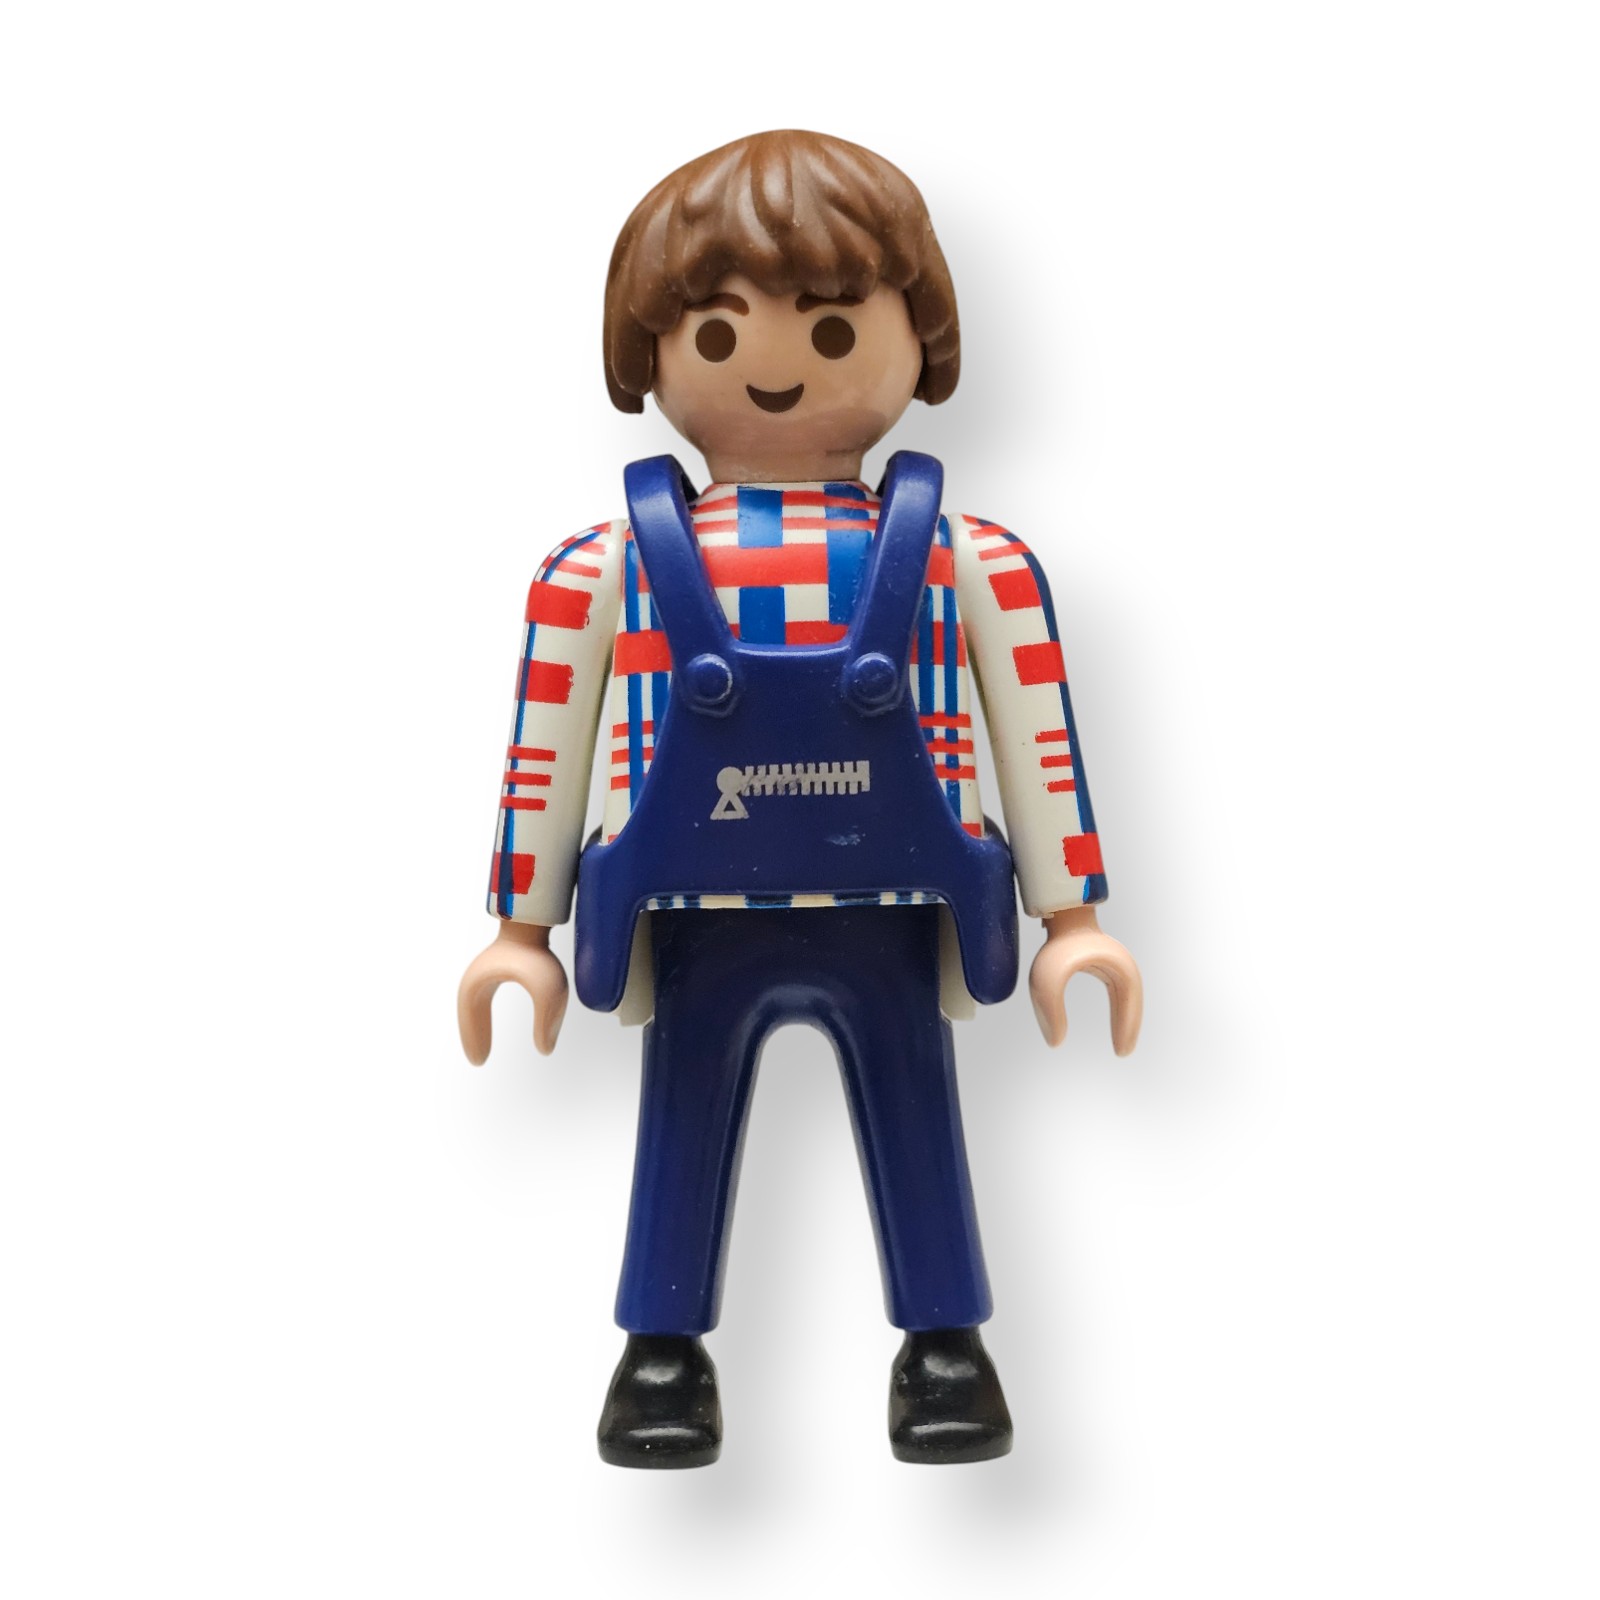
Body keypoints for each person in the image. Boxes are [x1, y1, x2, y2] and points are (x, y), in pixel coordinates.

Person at [457, 130, 1142, 1468]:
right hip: (691, 911)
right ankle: (662, 1353)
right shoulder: (602, 567)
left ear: (917, 344)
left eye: (833, 330)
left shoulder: (966, 559)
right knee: (682, 1116)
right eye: (717, 335)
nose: (775, 365)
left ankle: (945, 1346)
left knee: (917, 1108)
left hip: (894, 904)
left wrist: (1074, 918)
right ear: (651, 354)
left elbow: (1038, 732)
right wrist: (519, 932)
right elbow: (545, 744)